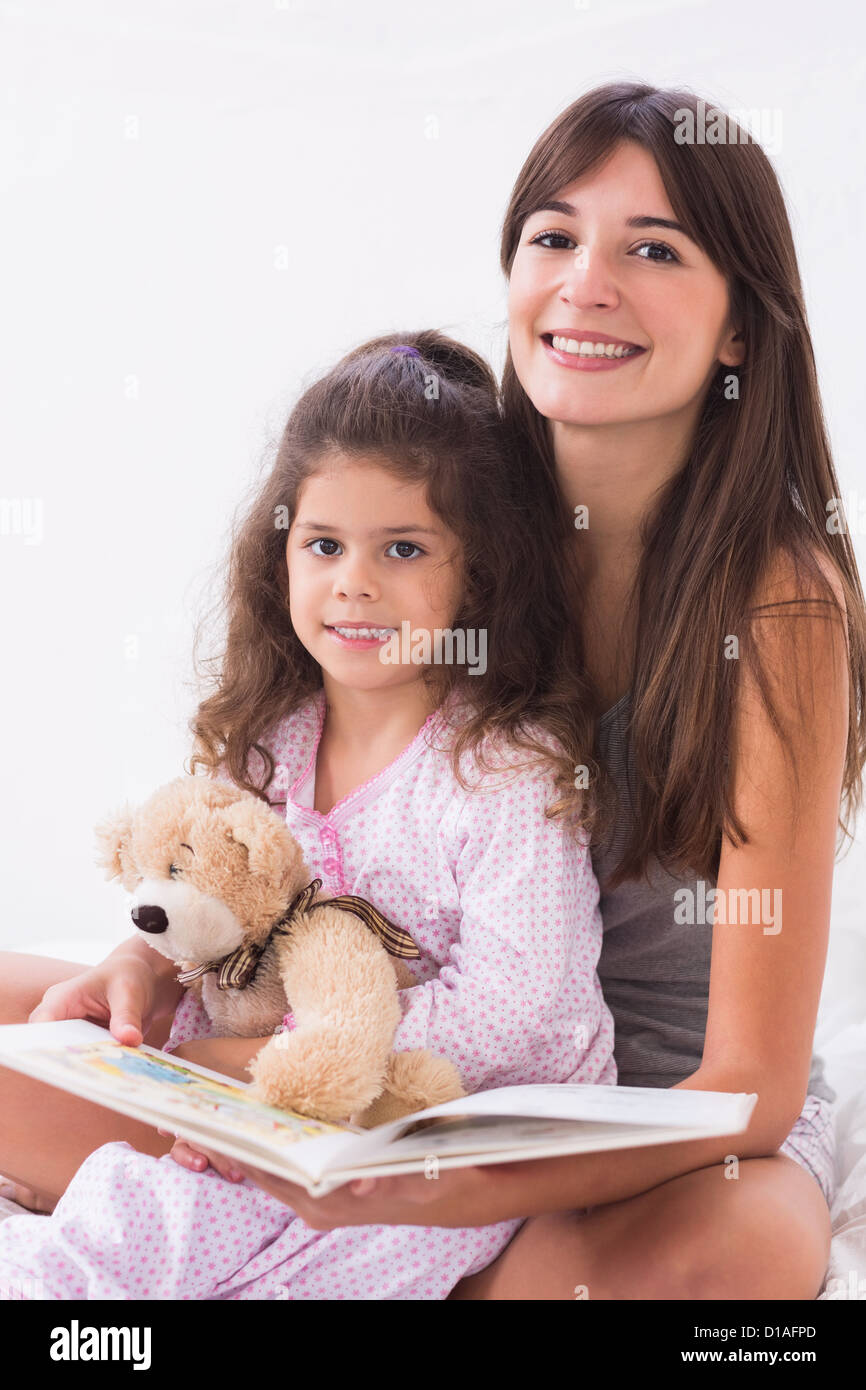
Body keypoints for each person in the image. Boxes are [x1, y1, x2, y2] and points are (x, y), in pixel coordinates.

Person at [152, 82, 861, 1306]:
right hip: (408, 1059)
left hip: (654, 1120)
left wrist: (468, 1186)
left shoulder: (776, 603)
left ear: (740, 328)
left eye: (652, 249)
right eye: (553, 236)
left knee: (747, 1249)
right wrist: (153, 964)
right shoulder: (449, 511)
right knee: (34, 1028)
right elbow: (308, 802)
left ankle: (400, 1260)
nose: (585, 282)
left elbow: (749, 1083)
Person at [0, 330, 616, 1299]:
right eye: (323, 545)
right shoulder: (277, 733)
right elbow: (213, 898)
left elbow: (515, 1012)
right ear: (280, 549)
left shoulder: (504, 770)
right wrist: (142, 962)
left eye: (402, 549)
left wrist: (260, 1059)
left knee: (160, 1219)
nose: (353, 582)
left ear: (478, 575)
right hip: (243, 1081)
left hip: (431, 1114)